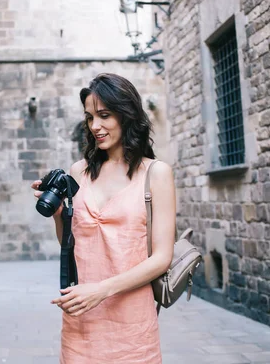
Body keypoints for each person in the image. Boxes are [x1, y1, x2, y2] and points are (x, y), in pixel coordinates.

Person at [31, 73, 176, 363]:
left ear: (127, 115)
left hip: (131, 323)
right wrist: (59, 214)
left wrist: (101, 290)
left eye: (104, 115)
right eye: (89, 118)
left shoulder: (156, 173)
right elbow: (70, 243)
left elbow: (162, 258)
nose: (95, 126)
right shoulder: (78, 172)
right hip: (81, 319)